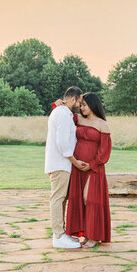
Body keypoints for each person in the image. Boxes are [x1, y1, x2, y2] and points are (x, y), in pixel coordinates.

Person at [66, 91, 112, 248]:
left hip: (93, 168)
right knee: (79, 199)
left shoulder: (102, 124)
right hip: (77, 166)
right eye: (80, 104)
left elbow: (105, 151)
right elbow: (62, 114)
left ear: (93, 105)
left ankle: (94, 236)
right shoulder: (77, 119)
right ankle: (85, 234)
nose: (81, 107)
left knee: (89, 198)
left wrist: (92, 164)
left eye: (84, 105)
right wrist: (57, 103)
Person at [45, 86, 87, 249]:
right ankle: (58, 235)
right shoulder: (62, 114)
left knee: (61, 198)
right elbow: (62, 143)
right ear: (72, 99)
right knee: (57, 198)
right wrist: (76, 162)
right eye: (78, 101)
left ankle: (61, 233)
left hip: (62, 164)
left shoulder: (63, 112)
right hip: (60, 164)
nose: (79, 104)